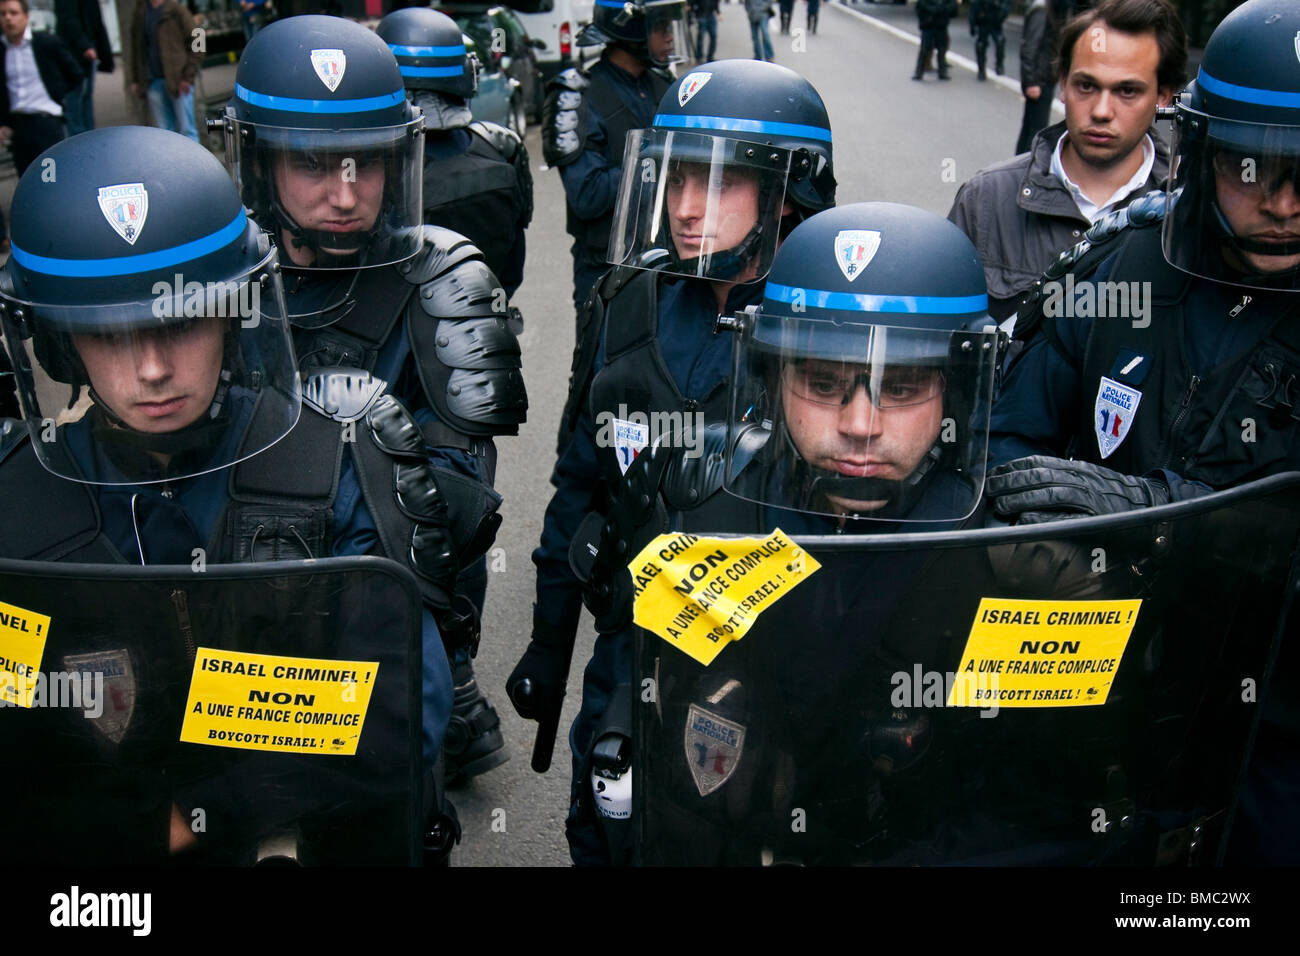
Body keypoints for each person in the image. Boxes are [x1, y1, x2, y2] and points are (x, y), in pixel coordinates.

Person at [0, 125, 455, 857]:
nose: (151, 368)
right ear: (59, 343)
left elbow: (403, 712)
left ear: (231, 314)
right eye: (110, 333)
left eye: (179, 318)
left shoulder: (329, 463)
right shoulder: (18, 506)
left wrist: (199, 813)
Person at [564, 202, 1006, 864]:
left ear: (956, 396)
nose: (861, 423)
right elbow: (628, 709)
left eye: (904, 386)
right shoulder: (697, 494)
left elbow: (1019, 806)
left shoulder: (996, 551)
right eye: (824, 383)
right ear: (773, 380)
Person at [985, 0, 1300, 865]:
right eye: (1254, 167)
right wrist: (1050, 551)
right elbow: (1007, 440)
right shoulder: (1122, 260)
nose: (1283, 202)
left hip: (1269, 721)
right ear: (1199, 149)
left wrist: (1165, 516)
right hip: (1082, 665)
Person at [507, 59, 836, 865]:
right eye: (678, 179)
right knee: (607, 832)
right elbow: (579, 482)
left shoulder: (832, 330)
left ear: (788, 191)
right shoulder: (630, 299)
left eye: (717, 184)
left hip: (767, 664)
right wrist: (552, 642)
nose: (685, 209)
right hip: (631, 650)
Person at [224, 15, 528, 784]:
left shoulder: (440, 276)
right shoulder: (220, 282)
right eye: (314, 165)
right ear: (262, 166)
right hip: (239, 592)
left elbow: (460, 494)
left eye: (368, 163)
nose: (346, 192)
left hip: (386, 597)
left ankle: (450, 700)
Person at [949, 0, 1184, 326]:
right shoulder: (984, 199)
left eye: (1127, 91)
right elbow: (944, 346)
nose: (1101, 111)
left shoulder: (1188, 208)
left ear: (1164, 97)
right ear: (1063, 83)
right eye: (1086, 86)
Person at [376, 6, 533, 301]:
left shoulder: (375, 168)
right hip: (487, 321)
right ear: (467, 74)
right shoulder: (501, 147)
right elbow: (512, 270)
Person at [542, 0, 682, 319]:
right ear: (630, 31)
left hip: (671, 264)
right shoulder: (577, 97)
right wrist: (655, 161)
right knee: (599, 367)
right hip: (607, 270)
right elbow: (587, 196)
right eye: (661, 27)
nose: (670, 36)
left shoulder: (667, 87)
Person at [0, 0, 83, 175]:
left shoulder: (45, 43)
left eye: (13, 13)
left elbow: (75, 73)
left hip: (45, 121)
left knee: (51, 177)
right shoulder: (3, 50)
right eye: (3, 14)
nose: (8, 19)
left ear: (26, 16)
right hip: (18, 125)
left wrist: (57, 95)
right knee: (26, 177)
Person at [126, 0, 203, 144]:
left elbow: (199, 38)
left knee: (187, 130)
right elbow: (136, 48)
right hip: (152, 80)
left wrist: (188, 75)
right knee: (164, 133)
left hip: (179, 80)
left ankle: (195, 164)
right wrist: (136, 79)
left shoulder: (177, 10)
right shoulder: (141, 11)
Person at [1015, 0, 1072, 152]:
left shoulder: (1055, 8)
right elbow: (1029, 47)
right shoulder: (1042, 9)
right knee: (1036, 131)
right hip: (1039, 80)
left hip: (1044, 78)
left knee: (1031, 128)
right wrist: (1031, 81)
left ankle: (1020, 169)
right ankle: (1027, 171)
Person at [54, 0, 114, 136]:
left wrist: (103, 53)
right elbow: (68, 19)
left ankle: (89, 137)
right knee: (75, 98)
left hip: (86, 47)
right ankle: (78, 141)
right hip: (74, 51)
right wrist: (84, 45)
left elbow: (96, 21)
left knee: (85, 96)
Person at [913, 0, 958, 82]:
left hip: (941, 24)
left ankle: (942, 72)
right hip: (928, 24)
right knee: (925, 49)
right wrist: (932, 9)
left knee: (942, 49)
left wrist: (943, 9)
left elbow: (953, 6)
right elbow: (920, 6)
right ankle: (919, 72)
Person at [969, 0, 1009, 82]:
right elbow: (973, 8)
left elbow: (1006, 7)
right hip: (983, 22)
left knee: (1000, 42)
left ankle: (999, 65)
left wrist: (1000, 12)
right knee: (980, 46)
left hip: (995, 23)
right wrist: (972, 25)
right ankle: (981, 70)